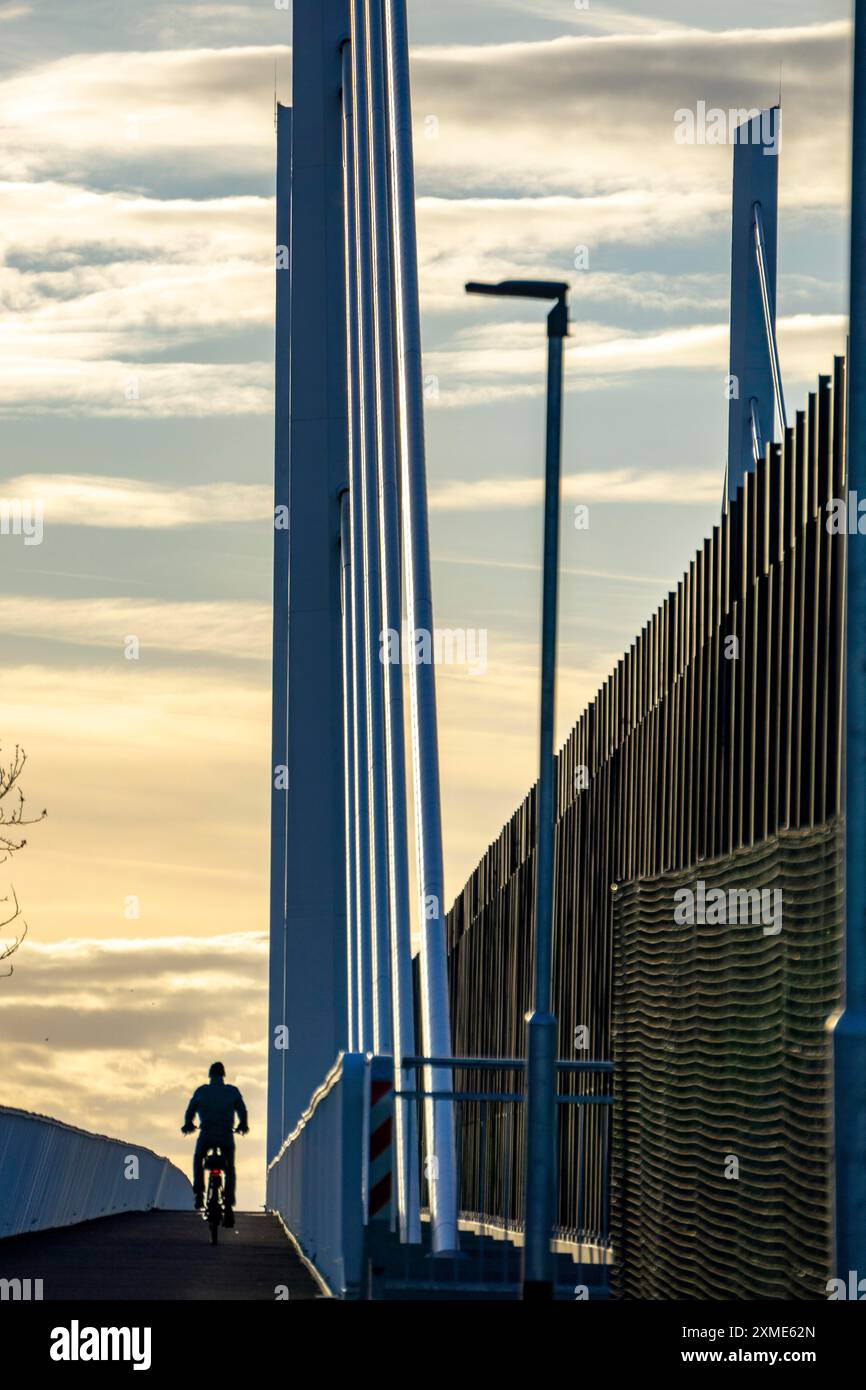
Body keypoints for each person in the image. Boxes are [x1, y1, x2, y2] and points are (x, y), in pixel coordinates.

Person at [181, 1062, 249, 1227]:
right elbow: (242, 1111)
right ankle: (228, 1204)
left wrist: (188, 1124)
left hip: (207, 1135)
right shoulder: (232, 1091)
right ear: (223, 1075)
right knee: (230, 1168)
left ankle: (198, 1194)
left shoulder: (202, 1091)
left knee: (198, 1158)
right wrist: (243, 1125)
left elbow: (190, 1111)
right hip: (226, 1135)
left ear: (210, 1075)